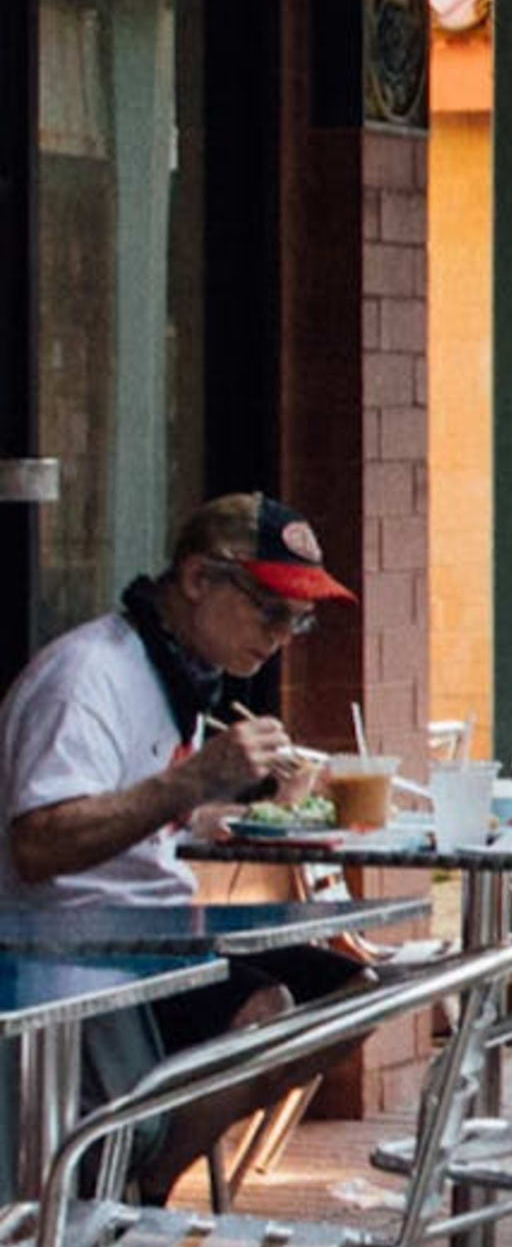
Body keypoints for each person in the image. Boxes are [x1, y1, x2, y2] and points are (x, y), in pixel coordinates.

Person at [0, 493, 364, 1199]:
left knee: (352, 994)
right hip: (70, 949)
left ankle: (148, 1187)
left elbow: (135, 806)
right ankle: (133, 1193)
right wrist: (197, 779)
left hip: (157, 934)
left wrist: (218, 809)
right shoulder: (87, 677)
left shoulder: (181, 672)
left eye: (300, 619)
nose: (282, 635)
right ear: (199, 579)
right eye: (270, 609)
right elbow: (39, 842)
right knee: (263, 1011)